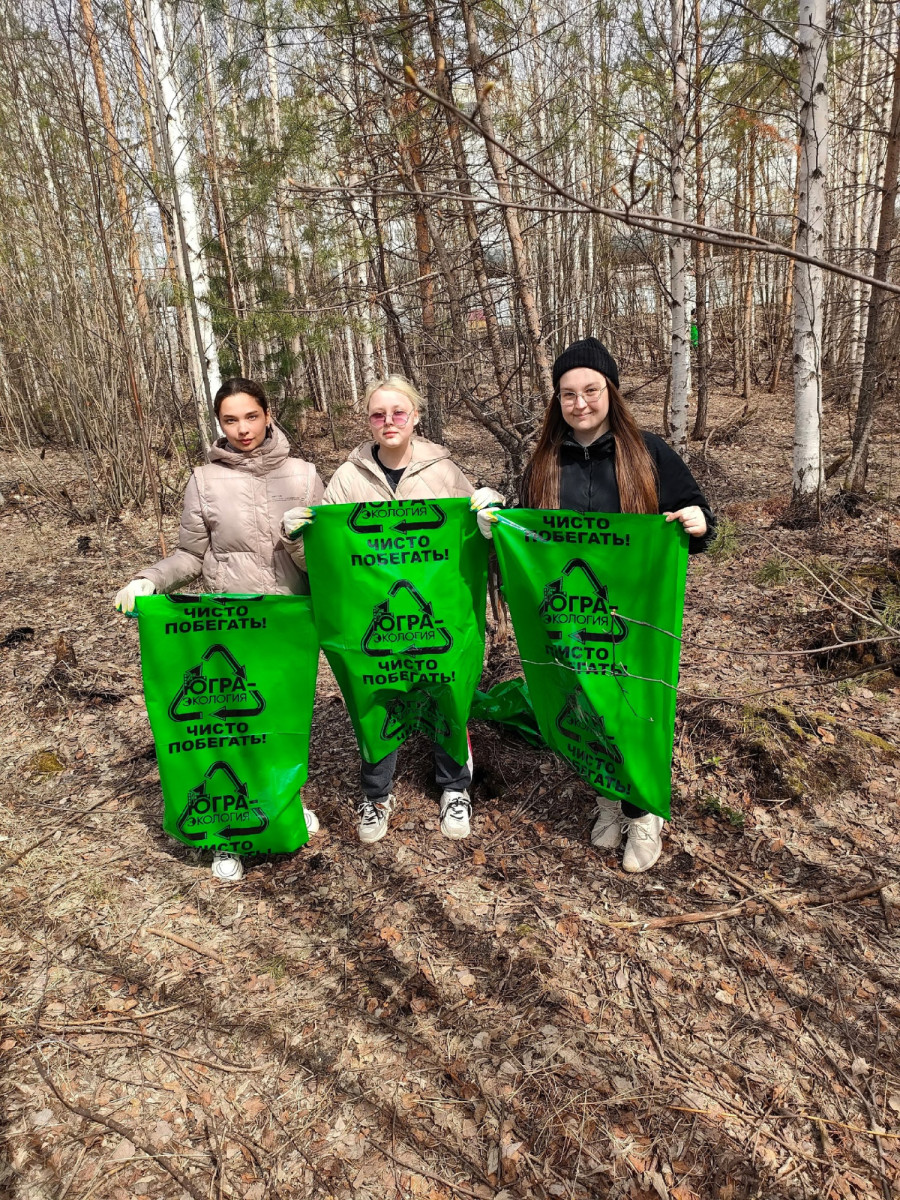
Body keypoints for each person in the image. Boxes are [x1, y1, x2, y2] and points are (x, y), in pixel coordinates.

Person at [479, 337, 714, 873]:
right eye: (568, 394)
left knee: (629, 711)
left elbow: (693, 517)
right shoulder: (544, 461)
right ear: (556, 401)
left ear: (610, 390)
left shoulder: (648, 453)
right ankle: (607, 798)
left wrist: (698, 521)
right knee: (582, 706)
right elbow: (526, 536)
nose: (580, 403)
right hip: (565, 620)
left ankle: (642, 813)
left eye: (590, 390)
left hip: (630, 619)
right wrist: (494, 522)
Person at [114, 377, 325, 881]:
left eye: (250, 416)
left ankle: (285, 804)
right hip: (228, 622)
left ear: (268, 413)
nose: (242, 429)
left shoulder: (304, 475)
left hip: (289, 622)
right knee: (231, 726)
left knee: (286, 722)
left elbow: (326, 553)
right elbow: (190, 554)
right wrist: (149, 580)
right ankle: (227, 831)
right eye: (230, 420)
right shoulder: (204, 480)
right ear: (219, 424)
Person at [287, 375, 502, 845]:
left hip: (435, 619)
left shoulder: (444, 472)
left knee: (445, 692)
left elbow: (477, 547)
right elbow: (323, 563)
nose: (389, 422)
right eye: (378, 414)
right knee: (376, 698)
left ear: (416, 417)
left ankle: (454, 788)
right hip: (375, 623)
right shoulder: (348, 477)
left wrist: (491, 524)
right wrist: (299, 536)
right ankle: (376, 794)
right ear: (367, 421)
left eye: (398, 412)